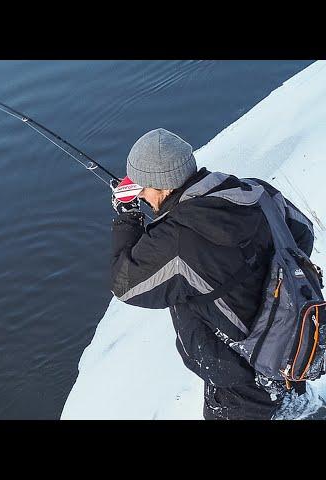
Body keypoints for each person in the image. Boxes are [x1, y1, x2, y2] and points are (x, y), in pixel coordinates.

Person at [110, 128, 315, 420]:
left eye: (143, 189)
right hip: (293, 340)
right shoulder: (256, 193)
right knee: (292, 403)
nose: (142, 197)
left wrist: (128, 219)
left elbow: (124, 284)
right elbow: (302, 235)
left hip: (239, 381)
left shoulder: (176, 241)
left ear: (164, 187)